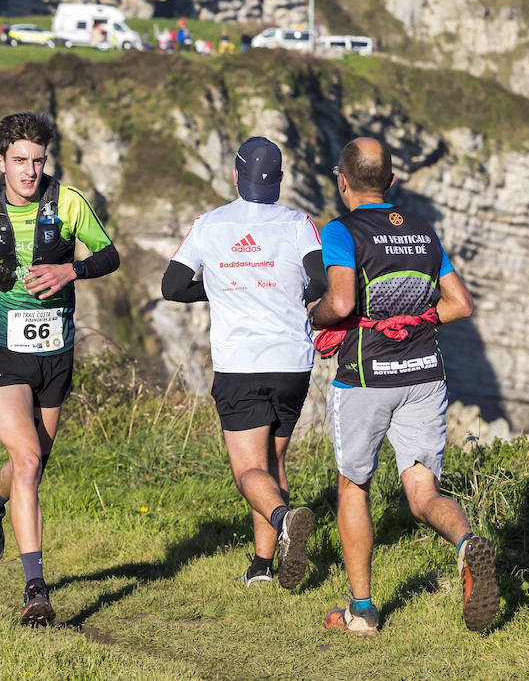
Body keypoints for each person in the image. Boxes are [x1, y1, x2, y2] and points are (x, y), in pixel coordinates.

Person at [308, 137, 498, 636]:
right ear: (391, 182)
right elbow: (460, 304)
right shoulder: (422, 231)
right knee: (421, 490)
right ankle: (465, 545)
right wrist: (417, 317)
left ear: (342, 181)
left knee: (354, 484)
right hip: (424, 376)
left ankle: (363, 610)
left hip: (367, 377)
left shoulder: (341, 230)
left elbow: (344, 302)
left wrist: (316, 313)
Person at [0, 112, 120, 626]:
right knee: (26, 458)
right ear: (0, 161)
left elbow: (109, 255)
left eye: (38, 161)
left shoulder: (67, 203)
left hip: (55, 354)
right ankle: (35, 589)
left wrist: (73, 268)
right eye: (20, 161)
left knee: (35, 459)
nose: (30, 171)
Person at [162, 137, 326, 588]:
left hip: (241, 363)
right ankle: (262, 566)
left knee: (248, 471)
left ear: (236, 177)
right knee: (273, 463)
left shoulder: (210, 225)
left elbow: (173, 285)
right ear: (280, 182)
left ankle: (285, 519)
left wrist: (217, 288)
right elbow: (320, 280)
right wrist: (284, 293)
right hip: (292, 360)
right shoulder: (299, 223)